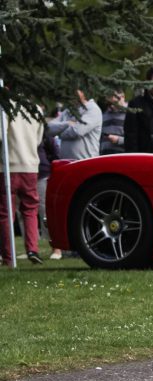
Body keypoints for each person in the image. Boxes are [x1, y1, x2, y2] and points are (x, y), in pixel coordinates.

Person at [0, 105, 45, 266]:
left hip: (9, 166)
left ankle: (8, 255)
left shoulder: (5, 107)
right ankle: (32, 249)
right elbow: (38, 138)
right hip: (30, 165)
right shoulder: (36, 109)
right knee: (30, 209)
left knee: (6, 212)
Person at [47, 89, 102, 159]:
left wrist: (59, 134)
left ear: (83, 92)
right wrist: (67, 124)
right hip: (65, 163)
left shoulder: (93, 109)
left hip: (85, 163)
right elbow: (48, 128)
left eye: (74, 91)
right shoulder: (68, 110)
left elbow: (77, 131)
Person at [37, 131, 62, 260]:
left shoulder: (44, 135)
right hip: (29, 173)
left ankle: (56, 249)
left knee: (45, 212)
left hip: (42, 174)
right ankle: (31, 249)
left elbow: (55, 154)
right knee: (22, 214)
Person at [100, 90, 127, 155]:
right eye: (109, 103)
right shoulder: (104, 115)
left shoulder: (131, 115)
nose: (112, 106)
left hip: (123, 157)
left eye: (115, 102)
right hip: (104, 157)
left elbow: (137, 140)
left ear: (123, 97)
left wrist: (119, 140)